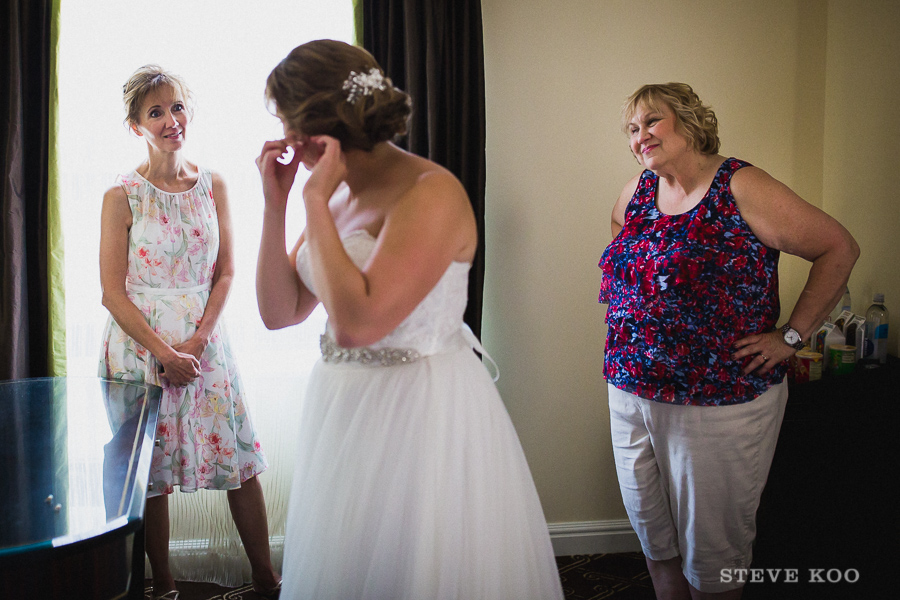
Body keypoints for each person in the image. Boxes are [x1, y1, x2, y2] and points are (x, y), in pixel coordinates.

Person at [255, 39, 564, 600]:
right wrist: (277, 204)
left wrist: (313, 205)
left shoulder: (430, 191)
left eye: (286, 121)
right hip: (344, 407)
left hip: (421, 409)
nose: (284, 139)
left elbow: (358, 323)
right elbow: (280, 312)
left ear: (318, 123)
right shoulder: (336, 194)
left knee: (418, 566)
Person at [598, 82, 859, 599]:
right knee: (654, 538)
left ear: (689, 121)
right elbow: (626, 260)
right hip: (629, 391)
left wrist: (791, 335)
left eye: (652, 121)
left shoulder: (739, 185)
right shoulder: (636, 192)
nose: (640, 136)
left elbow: (838, 247)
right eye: (632, 128)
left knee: (714, 553)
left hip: (717, 400)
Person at [98, 65, 281, 600]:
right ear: (137, 125)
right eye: (156, 112)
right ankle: (166, 589)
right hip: (140, 352)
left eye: (176, 107)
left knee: (241, 463)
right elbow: (112, 292)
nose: (171, 119)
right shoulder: (120, 195)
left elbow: (225, 272)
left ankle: (267, 582)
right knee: (149, 476)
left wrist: (197, 342)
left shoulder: (214, 183)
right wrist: (164, 354)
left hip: (206, 346)